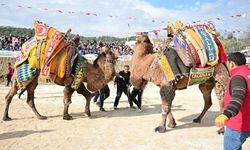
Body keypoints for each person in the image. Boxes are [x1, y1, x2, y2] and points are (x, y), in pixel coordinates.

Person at [215, 52, 250, 150]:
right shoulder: (247, 74)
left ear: (231, 64)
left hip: (238, 125)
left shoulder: (238, 78)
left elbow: (237, 97)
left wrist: (226, 114)